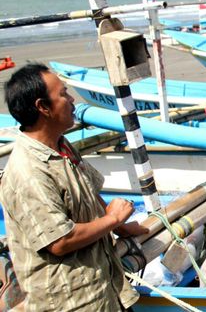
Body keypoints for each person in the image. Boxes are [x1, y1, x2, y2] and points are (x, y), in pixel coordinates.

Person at [0, 63, 147, 311]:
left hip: (105, 289)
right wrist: (112, 219)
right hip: (73, 302)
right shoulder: (29, 171)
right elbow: (60, 241)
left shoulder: (61, 144)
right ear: (43, 107)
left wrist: (122, 227)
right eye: (64, 94)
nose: (72, 100)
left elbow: (89, 190)